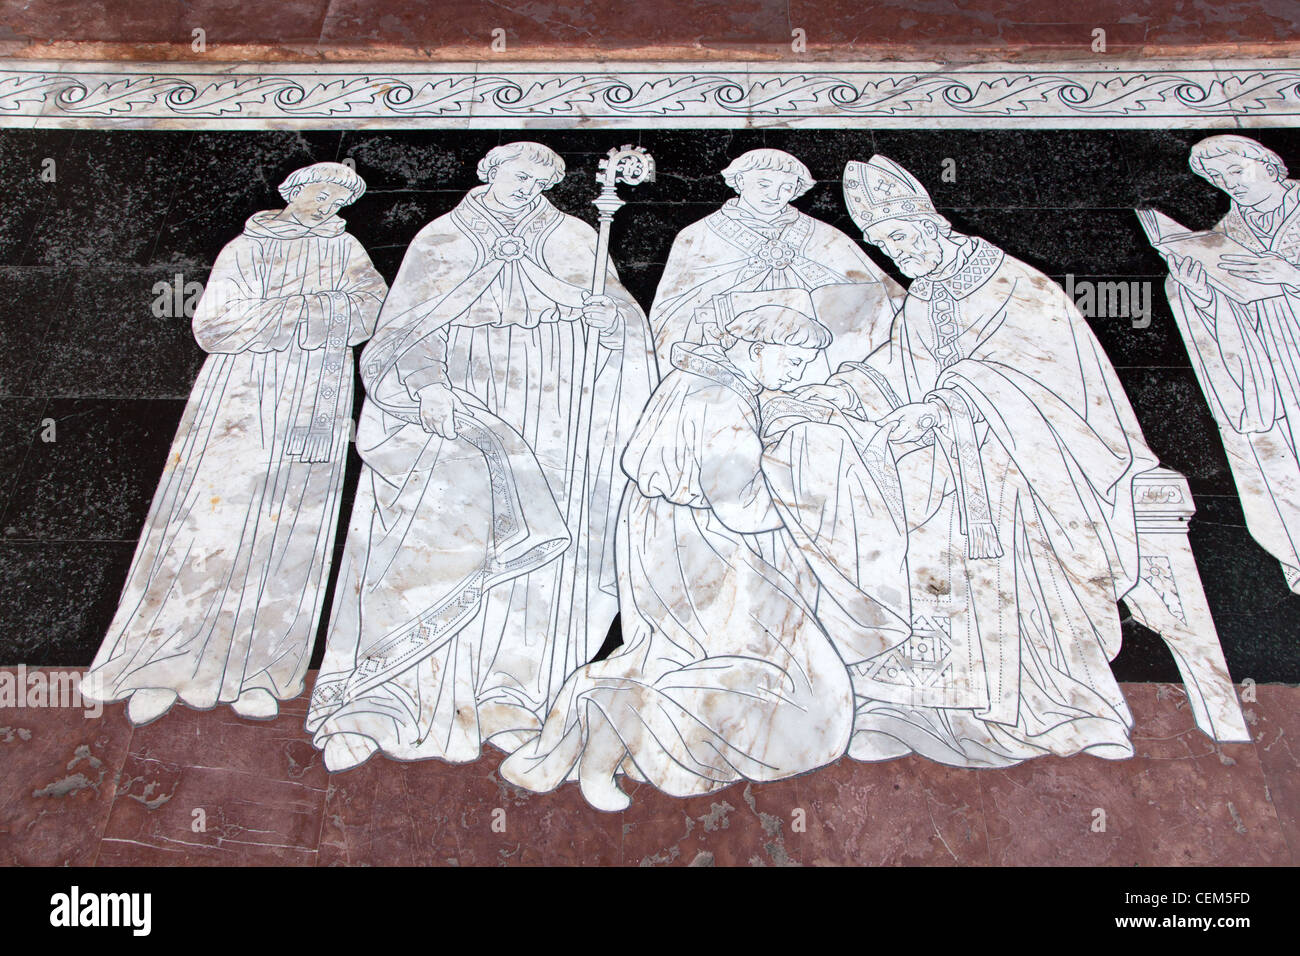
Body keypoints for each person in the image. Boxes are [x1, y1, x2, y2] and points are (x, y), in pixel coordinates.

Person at [798, 155, 1159, 767]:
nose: (896, 252)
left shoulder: (1013, 284)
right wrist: (839, 393)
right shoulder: (925, 298)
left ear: (932, 222)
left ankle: (1073, 711)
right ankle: (940, 714)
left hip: (1028, 470)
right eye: (883, 244)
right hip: (946, 472)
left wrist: (948, 404)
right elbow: (899, 369)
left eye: (901, 236)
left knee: (1025, 575)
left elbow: (1054, 380)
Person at [307, 142, 657, 770]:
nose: (529, 187)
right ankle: (378, 702)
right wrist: (425, 386)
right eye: (519, 174)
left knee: (535, 569)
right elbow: (400, 330)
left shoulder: (576, 237)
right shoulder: (442, 239)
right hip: (452, 403)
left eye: (542, 179)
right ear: (489, 171)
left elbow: (623, 322)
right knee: (428, 543)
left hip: (550, 409)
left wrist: (610, 324)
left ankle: (510, 699)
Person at [500, 294, 910, 810]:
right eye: (796, 360)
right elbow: (743, 505)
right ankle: (616, 726)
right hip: (706, 553)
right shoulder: (722, 401)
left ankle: (607, 736)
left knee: (688, 658)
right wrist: (815, 490)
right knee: (781, 679)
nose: (802, 372)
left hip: (672, 539)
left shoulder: (703, 383)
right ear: (756, 346)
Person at [81, 162, 386, 725]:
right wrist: (308, 308)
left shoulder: (348, 251)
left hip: (317, 394)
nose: (328, 204)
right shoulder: (246, 248)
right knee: (206, 527)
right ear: (293, 193)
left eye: (339, 197)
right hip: (242, 397)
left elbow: (370, 310)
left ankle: (260, 671)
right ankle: (161, 666)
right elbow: (216, 326)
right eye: (320, 191)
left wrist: (296, 311)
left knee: (292, 534)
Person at [1161, 135, 1300, 592]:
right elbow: (1227, 303)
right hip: (1270, 373)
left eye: (1235, 172)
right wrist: (1195, 286)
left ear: (1268, 163)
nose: (1228, 185)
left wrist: (1292, 278)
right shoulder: (1230, 231)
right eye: (1216, 179)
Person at [649, 148, 900, 377]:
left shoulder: (824, 236)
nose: (774, 195)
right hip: (731, 363)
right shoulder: (698, 235)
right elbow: (671, 310)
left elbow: (879, 293)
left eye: (787, 187)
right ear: (739, 181)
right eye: (764, 184)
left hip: (810, 365)